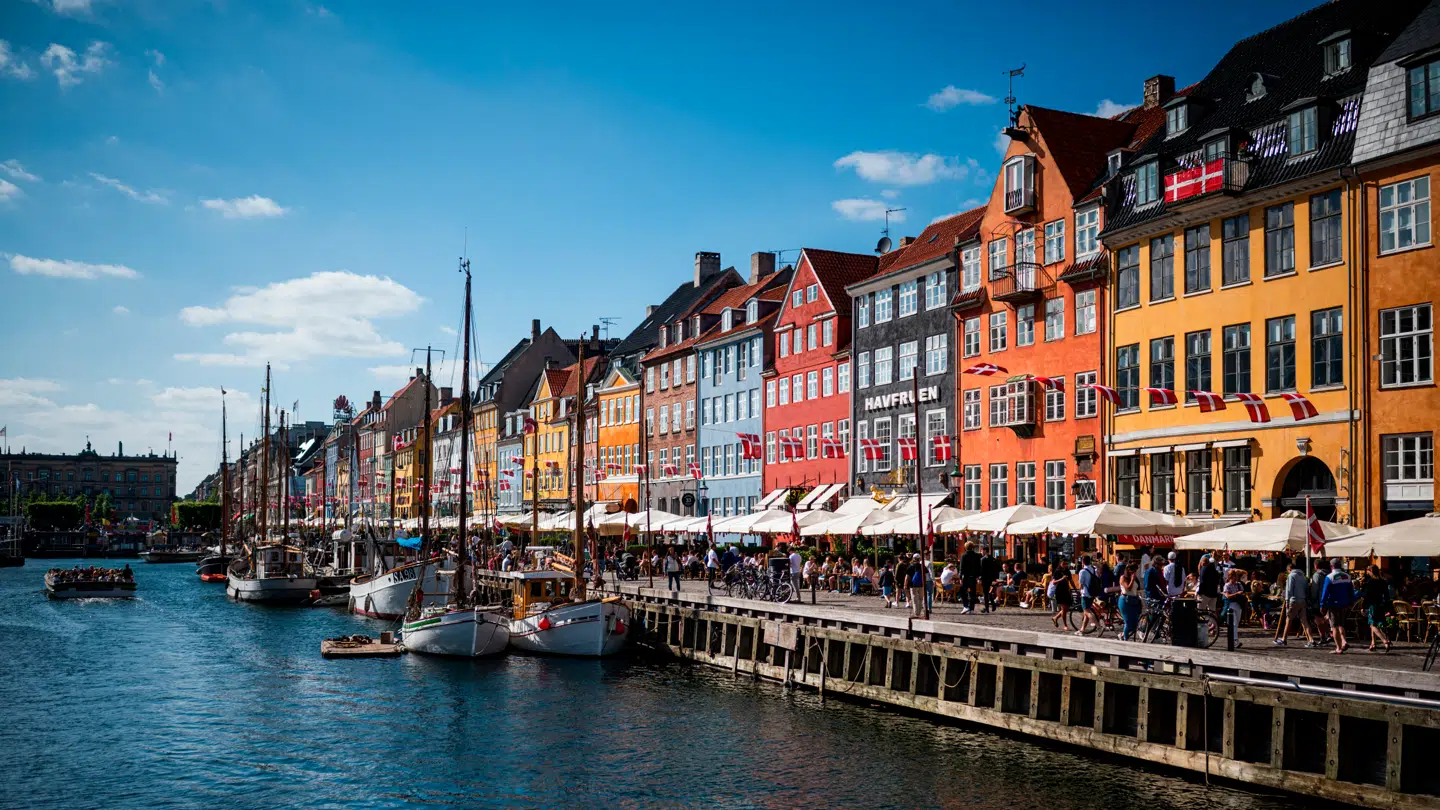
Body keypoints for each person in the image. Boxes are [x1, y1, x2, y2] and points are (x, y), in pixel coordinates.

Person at [1276, 561, 1316, 647]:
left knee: (1288, 619)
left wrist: (1287, 600)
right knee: (1305, 621)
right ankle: (1311, 640)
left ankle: (1284, 639)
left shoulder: (1291, 576)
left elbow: (1289, 589)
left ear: (1289, 569)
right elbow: (1306, 589)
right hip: (1303, 601)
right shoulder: (1303, 576)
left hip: (1294, 600)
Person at [1319, 562, 1354, 654]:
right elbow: (1351, 591)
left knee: (1334, 626)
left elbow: (1325, 592)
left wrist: (1322, 604)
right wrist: (1351, 602)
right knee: (1341, 624)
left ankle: (1338, 648)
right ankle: (1344, 641)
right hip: (1344, 604)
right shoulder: (1347, 576)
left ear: (1331, 566)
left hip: (1333, 604)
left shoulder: (1329, 577)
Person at [1360, 565, 1392, 653]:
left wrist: (1363, 606)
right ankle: (1373, 643)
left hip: (1373, 605)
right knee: (1378, 623)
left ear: (1371, 571)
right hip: (1381, 604)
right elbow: (1387, 595)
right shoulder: (1383, 582)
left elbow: (1366, 596)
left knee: (1372, 624)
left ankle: (1384, 640)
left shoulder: (1371, 582)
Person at [1076, 556, 1104, 635]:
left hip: (1085, 593)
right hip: (1092, 593)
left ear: (1083, 562)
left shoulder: (1082, 571)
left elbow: (1080, 584)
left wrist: (1079, 591)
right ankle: (1082, 630)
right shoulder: (1093, 569)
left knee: (1087, 612)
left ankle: (1099, 627)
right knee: (1086, 612)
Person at [1118, 562, 1142, 640]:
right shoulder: (1123, 578)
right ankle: (1125, 639)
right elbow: (1128, 588)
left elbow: (1136, 589)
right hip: (1125, 600)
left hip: (1134, 600)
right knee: (1128, 623)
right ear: (1128, 570)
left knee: (1135, 624)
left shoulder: (1134, 578)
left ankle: (1122, 635)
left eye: (1135, 571)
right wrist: (1132, 579)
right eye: (1133, 570)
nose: (1134, 572)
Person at [958, 541, 982, 615]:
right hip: (974, 577)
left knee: (962, 591)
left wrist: (960, 577)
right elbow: (979, 567)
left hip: (966, 577)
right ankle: (971, 609)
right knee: (972, 593)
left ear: (965, 547)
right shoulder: (977, 555)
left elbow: (961, 568)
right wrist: (979, 577)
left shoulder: (964, 555)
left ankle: (965, 606)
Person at [1051, 560, 1072, 629]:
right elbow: (1053, 582)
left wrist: (1075, 589)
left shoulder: (1067, 571)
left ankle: (1055, 618)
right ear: (1060, 564)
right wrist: (1061, 579)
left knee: (1066, 609)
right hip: (1060, 591)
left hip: (1067, 590)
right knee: (1063, 608)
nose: (1065, 565)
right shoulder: (1057, 571)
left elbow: (1071, 581)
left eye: (1066, 564)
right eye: (1063, 564)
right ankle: (1065, 625)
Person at [908, 553, 928, 619]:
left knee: (914, 599)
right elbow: (926, 573)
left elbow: (907, 576)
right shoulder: (922, 566)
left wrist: (905, 584)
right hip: (921, 584)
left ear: (913, 558)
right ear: (919, 559)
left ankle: (916, 613)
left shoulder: (911, 566)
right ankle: (919, 612)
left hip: (913, 585)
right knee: (920, 599)